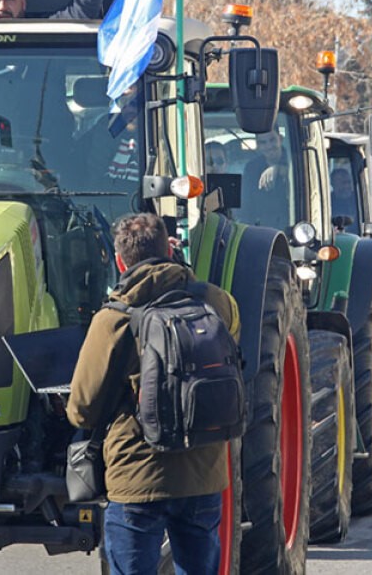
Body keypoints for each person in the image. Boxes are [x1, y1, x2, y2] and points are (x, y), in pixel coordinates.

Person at [67, 213, 239, 574]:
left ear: (119, 260)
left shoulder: (112, 320)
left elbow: (83, 409)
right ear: (169, 248)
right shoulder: (216, 302)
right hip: (204, 473)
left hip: (136, 480)